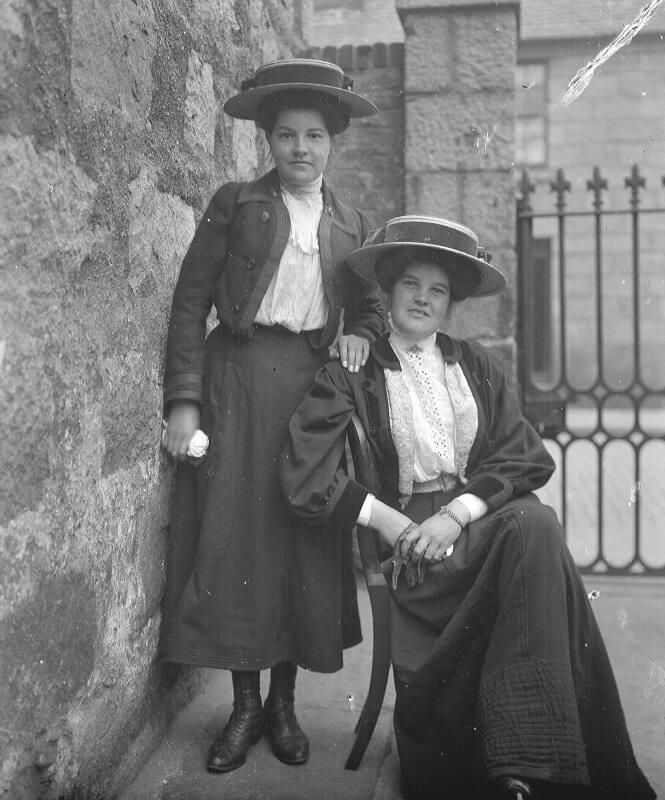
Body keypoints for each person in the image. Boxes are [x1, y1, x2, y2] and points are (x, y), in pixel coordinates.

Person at [280, 215, 656, 800]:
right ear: (387, 289)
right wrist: (391, 520)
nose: (423, 300)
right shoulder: (354, 370)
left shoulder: (471, 364)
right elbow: (303, 473)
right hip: (415, 558)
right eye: (410, 284)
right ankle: (538, 764)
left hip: (472, 530)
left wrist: (456, 513)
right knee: (537, 530)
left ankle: (522, 769)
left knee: (534, 523)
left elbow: (525, 454)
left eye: (438, 291)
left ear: (451, 302)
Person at [159, 59, 385, 773]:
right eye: (285, 135)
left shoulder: (352, 224)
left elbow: (373, 309)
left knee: (301, 539)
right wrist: (185, 402)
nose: (300, 149)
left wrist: (361, 333)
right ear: (267, 139)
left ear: (333, 142)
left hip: (311, 396)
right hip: (238, 382)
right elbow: (190, 302)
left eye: (314, 136)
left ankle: (285, 704)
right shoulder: (236, 204)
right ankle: (246, 704)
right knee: (235, 539)